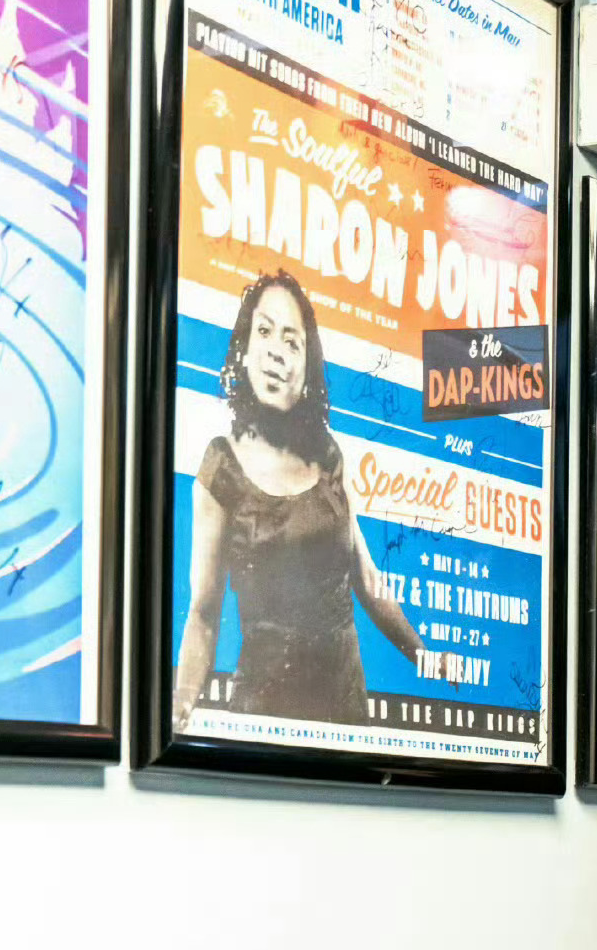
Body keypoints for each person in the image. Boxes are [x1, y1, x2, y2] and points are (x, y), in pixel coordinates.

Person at [173, 268, 426, 730]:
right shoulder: (221, 467)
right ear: (243, 349)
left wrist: (428, 657)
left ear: (307, 368)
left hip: (346, 714)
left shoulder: (329, 457)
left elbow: (367, 580)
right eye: (264, 331)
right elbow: (204, 616)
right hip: (266, 720)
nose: (276, 351)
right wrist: (180, 705)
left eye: (292, 342)